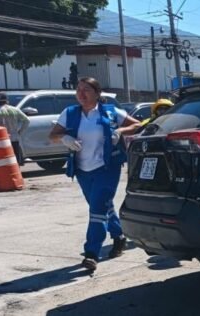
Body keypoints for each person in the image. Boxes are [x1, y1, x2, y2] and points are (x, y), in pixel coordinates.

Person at [48, 77, 140, 272]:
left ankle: (91, 253)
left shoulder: (110, 112)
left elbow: (138, 125)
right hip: (82, 170)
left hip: (107, 168)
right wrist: (64, 138)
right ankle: (119, 235)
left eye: (86, 90)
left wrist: (120, 131)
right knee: (102, 206)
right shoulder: (70, 113)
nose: (81, 94)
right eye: (78, 89)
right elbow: (53, 135)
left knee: (97, 210)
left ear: (97, 93)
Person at [0, 92, 31, 164]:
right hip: (14, 138)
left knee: (3, 161)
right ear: (7, 100)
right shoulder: (15, 110)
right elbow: (27, 120)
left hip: (1, 139)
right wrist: (20, 132)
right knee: (15, 160)